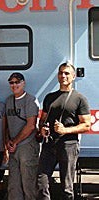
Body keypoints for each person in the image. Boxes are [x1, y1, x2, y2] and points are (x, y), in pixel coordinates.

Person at [37, 63, 91, 200]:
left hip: (69, 145)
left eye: (67, 73)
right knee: (41, 182)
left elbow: (86, 125)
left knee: (67, 187)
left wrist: (65, 130)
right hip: (49, 145)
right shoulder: (50, 97)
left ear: (73, 76)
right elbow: (43, 120)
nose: (63, 76)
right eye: (61, 73)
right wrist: (42, 129)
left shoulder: (80, 99)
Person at [4, 72, 40, 200]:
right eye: (11, 82)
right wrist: (7, 141)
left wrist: (15, 142)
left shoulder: (30, 100)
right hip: (13, 148)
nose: (14, 85)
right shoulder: (8, 100)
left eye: (17, 82)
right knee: (13, 185)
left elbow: (31, 125)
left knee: (28, 183)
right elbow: (6, 125)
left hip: (27, 146)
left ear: (23, 83)